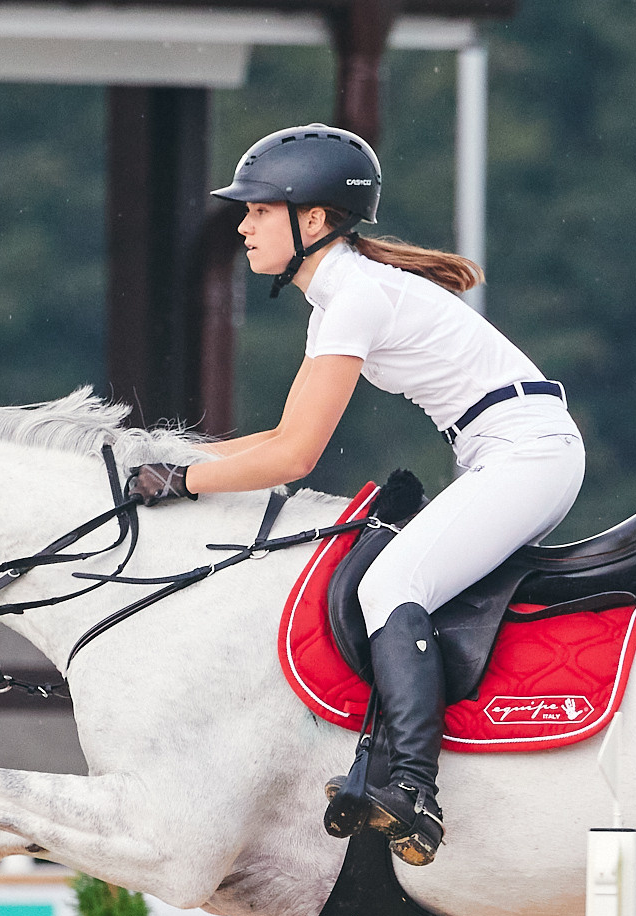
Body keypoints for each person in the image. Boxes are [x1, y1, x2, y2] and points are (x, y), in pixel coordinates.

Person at [125, 124, 583, 868]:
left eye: (259, 211)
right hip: (511, 451)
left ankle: (412, 788)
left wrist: (181, 479)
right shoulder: (342, 293)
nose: (242, 225)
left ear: (312, 221)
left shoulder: (355, 298)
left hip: (527, 454)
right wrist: (179, 462)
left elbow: (293, 455)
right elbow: (277, 436)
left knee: (392, 581)